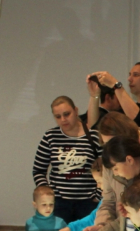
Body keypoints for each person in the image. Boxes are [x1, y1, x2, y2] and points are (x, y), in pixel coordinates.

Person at [32, 96, 102, 224]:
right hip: (59, 203)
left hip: (88, 202)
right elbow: (38, 170)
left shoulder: (93, 136)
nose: (63, 119)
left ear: (76, 111)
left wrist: (98, 195)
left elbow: (107, 169)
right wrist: (47, 195)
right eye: (58, 116)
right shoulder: (50, 136)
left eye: (66, 114)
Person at [88, 62, 140, 136]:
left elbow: (138, 119)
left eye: (136, 75)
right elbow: (95, 126)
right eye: (130, 75)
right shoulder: (123, 111)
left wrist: (116, 85)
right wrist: (94, 96)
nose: (129, 79)